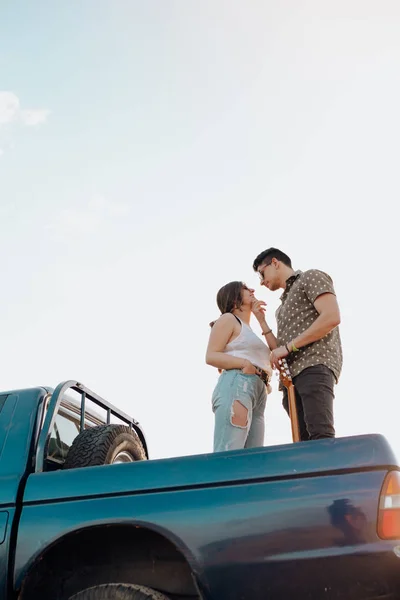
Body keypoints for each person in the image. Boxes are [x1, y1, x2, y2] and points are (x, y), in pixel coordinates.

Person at [252, 248, 342, 441]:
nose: (261, 281)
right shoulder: (282, 306)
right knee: (302, 442)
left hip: (313, 366)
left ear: (275, 263)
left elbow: (331, 317)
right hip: (290, 380)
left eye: (262, 273)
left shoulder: (311, 277)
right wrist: (261, 321)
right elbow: (280, 349)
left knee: (320, 435)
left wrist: (288, 347)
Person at [206, 281, 277, 452]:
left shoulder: (249, 330)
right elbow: (211, 355)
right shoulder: (228, 319)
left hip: (258, 392)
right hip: (238, 384)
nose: (252, 290)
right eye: (245, 288)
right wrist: (245, 364)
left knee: (252, 460)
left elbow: (277, 351)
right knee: (230, 454)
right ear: (234, 298)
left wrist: (261, 320)